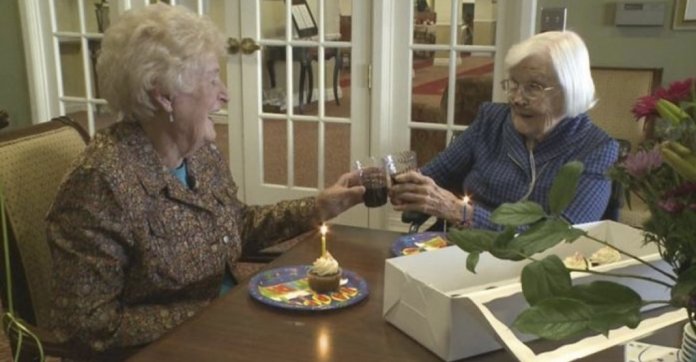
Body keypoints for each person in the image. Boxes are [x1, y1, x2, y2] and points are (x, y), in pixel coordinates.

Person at [45, 3, 364, 357]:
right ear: (164, 95)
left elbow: (234, 226)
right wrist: (217, 311)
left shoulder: (198, 152)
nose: (224, 93)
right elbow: (86, 329)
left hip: (229, 325)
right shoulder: (100, 185)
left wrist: (318, 207)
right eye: (213, 79)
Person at [390, 31, 618, 230]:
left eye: (534, 87)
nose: (517, 99)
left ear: (571, 90)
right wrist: (394, 184)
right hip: (456, 250)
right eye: (514, 84)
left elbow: (561, 236)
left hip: (532, 268)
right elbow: (435, 173)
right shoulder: (492, 120)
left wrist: (462, 213)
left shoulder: (597, 149)